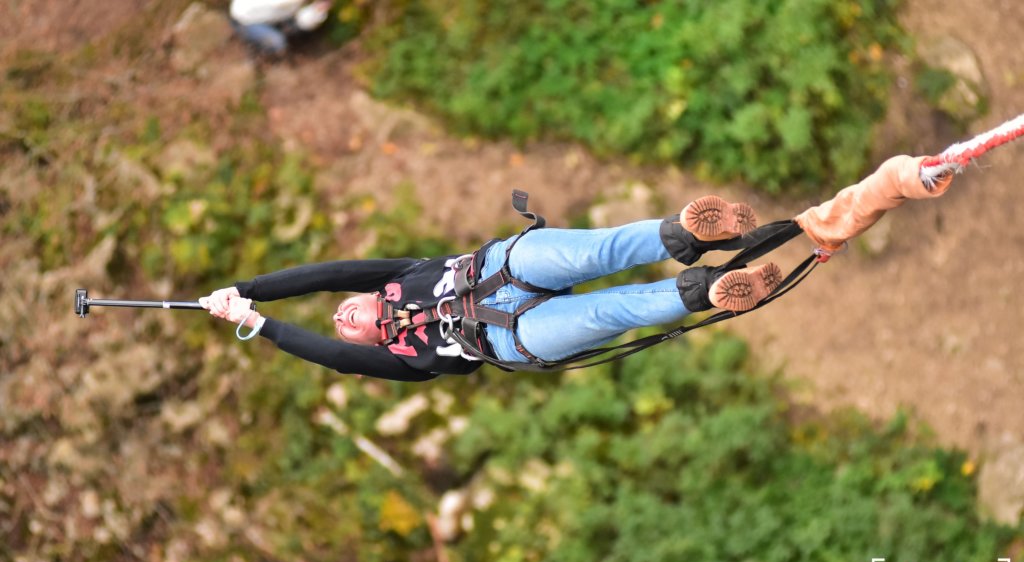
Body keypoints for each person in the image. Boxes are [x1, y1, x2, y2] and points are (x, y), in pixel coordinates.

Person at [202, 155, 953, 382]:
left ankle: (686, 232)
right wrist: (260, 326)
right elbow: (330, 354)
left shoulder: (399, 274)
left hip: (501, 265)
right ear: (369, 339)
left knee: (602, 250)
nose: (341, 318)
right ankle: (710, 289)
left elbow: (325, 272)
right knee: (617, 311)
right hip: (514, 337)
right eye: (346, 327)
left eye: (344, 310)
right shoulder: (405, 360)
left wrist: (249, 291)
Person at [228, 0, 331, 57]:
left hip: (271, 18)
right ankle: (255, 53)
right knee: (277, 42)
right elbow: (279, 3)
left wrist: (317, 10)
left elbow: (302, 22)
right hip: (244, 20)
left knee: (291, 29)